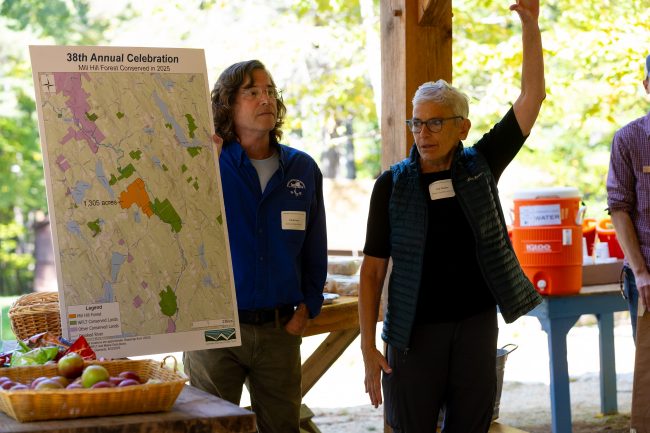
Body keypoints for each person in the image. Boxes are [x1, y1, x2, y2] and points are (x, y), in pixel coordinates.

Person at [358, 1, 545, 431]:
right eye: (416, 123)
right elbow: (372, 272)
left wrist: (530, 25)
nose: (422, 134)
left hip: (476, 327)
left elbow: (531, 98)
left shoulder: (481, 164)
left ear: (462, 127)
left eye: (435, 124)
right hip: (413, 334)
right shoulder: (392, 185)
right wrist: (367, 346)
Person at [183, 60, 327, 433]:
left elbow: (315, 247)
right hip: (214, 330)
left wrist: (307, 308)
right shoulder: (206, 162)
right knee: (212, 430)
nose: (265, 99)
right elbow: (177, 232)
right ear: (228, 104)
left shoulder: (302, 168)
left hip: (280, 330)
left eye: (270, 91)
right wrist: (197, 170)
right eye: (251, 91)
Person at [607, 54, 650, 342]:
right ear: (647, 86)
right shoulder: (628, 139)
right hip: (646, 276)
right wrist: (641, 272)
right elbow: (618, 208)